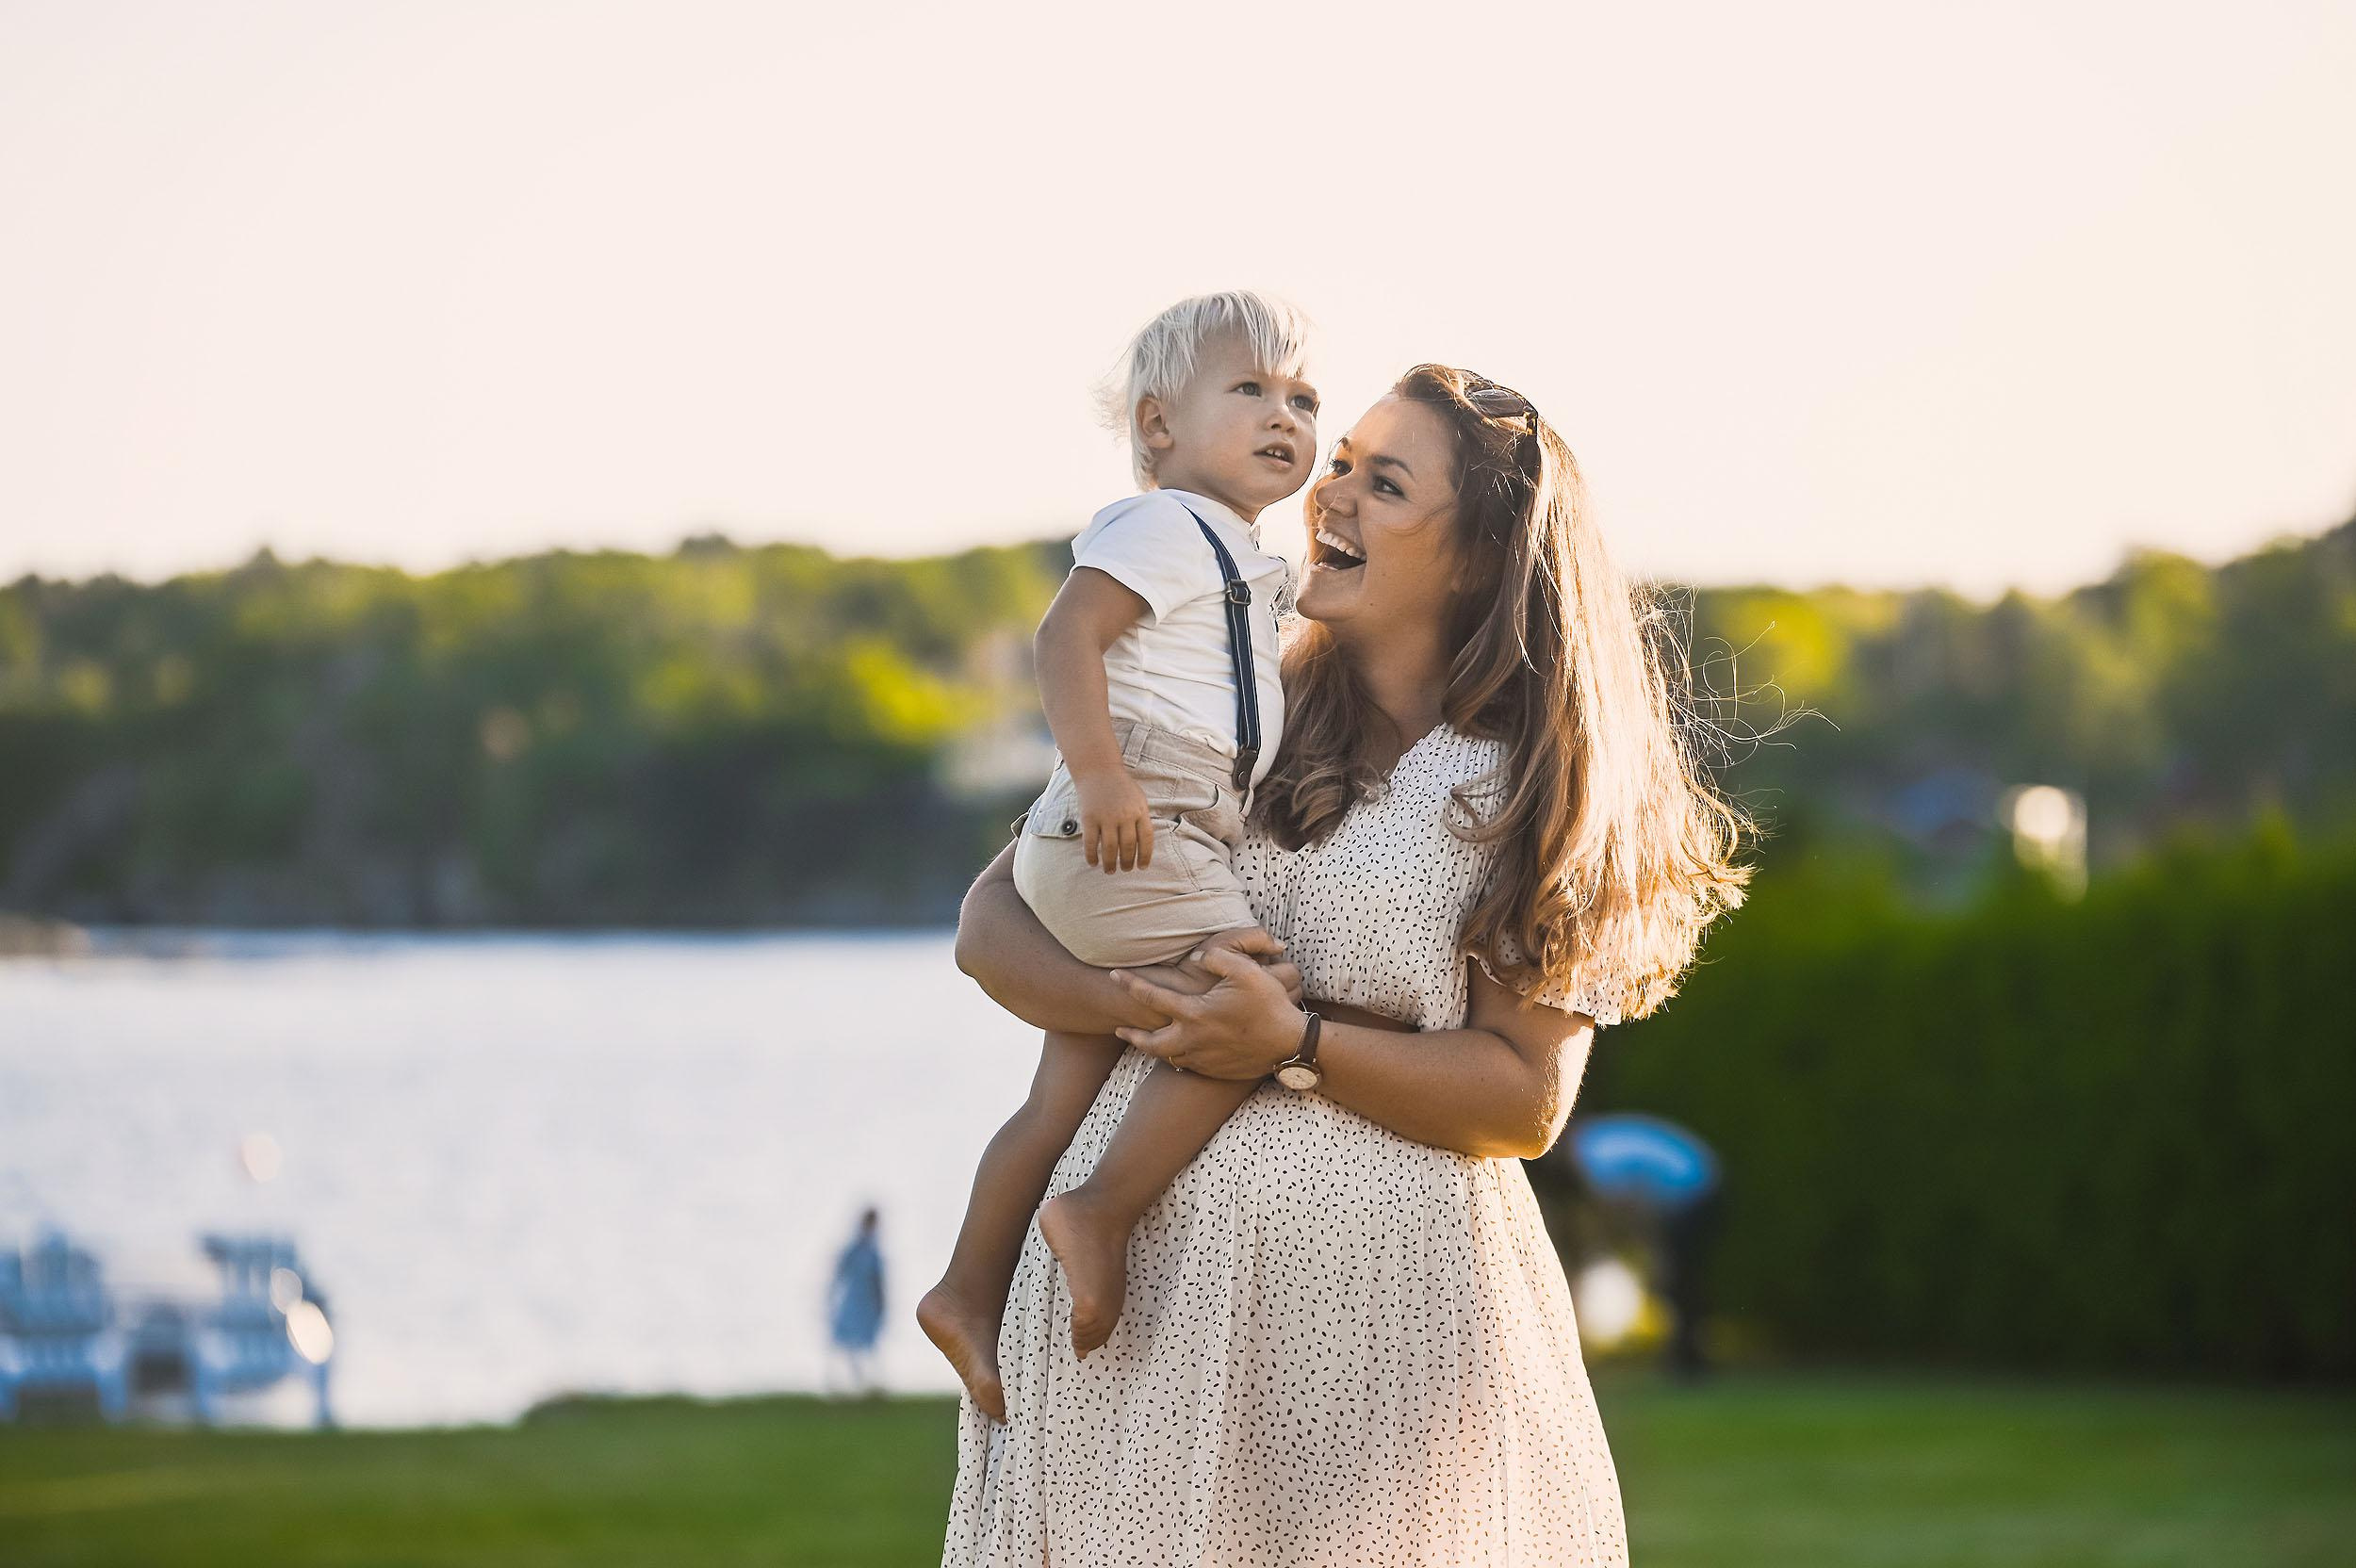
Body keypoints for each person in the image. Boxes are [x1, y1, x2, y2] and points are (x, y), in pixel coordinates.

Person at [942, 365, 1753, 1565]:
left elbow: (1523, 1098)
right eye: (1340, 464)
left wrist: (1294, 1042)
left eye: (1386, 483)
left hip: (1388, 1355)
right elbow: (994, 925)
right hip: (1132, 1337)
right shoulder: (1220, 707)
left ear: (1479, 556)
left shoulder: (1541, 782)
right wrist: (1160, 1010)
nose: (1331, 492)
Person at [919, 291, 1319, 1419]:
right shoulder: (1160, 525)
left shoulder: (1238, 552)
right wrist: (1101, 774)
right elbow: (1066, 636)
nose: (1283, 414)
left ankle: (965, 1286)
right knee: (1251, 1002)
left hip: (1155, 823)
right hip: (1135, 815)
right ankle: (1098, 1209)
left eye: (1302, 397)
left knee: (1062, 1087)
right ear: (1157, 427)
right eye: (1247, 390)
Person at [825, 1206, 887, 1398]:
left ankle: (864, 1384)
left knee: (865, 1343)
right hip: (855, 1302)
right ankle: (844, 1383)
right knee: (849, 1342)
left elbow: (879, 1282)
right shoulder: (856, 1249)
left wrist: (881, 1304)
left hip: (867, 1304)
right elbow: (839, 1272)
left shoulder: (873, 1251)